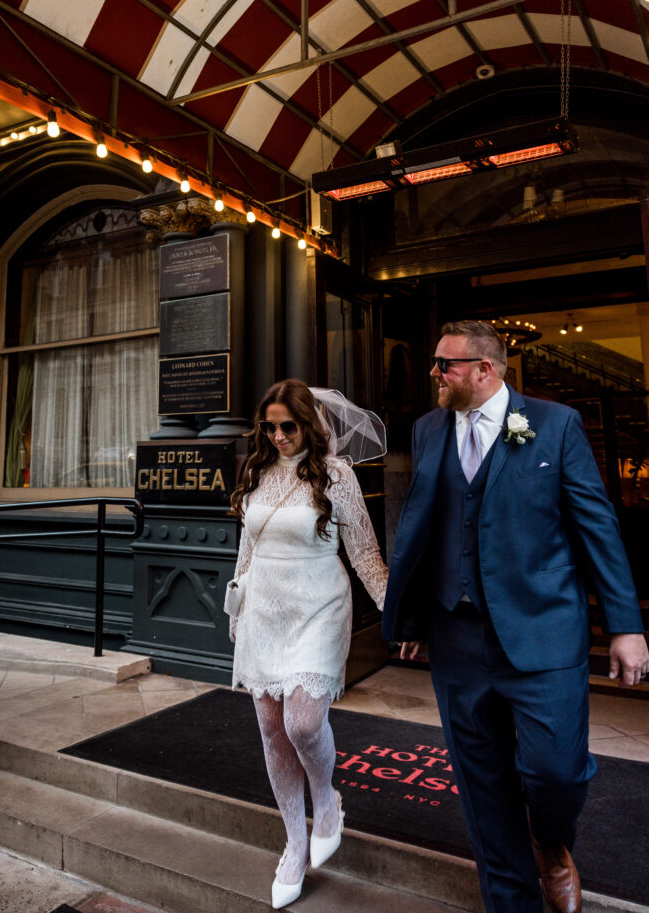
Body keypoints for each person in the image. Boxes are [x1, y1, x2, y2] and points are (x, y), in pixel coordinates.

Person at [383, 320, 648, 913]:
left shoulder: (554, 425)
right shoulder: (428, 430)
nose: (434, 373)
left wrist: (627, 625)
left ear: (486, 369)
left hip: (543, 630)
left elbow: (596, 526)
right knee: (481, 782)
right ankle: (510, 900)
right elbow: (421, 529)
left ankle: (551, 843)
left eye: (445, 364)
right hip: (456, 633)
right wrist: (409, 621)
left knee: (556, 772)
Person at [228, 378, 388, 909]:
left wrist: (397, 613)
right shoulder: (256, 473)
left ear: (310, 424)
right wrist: (237, 611)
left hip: (319, 605)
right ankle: (295, 843)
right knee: (272, 730)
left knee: (301, 721)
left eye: (287, 426)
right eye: (269, 427)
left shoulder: (336, 475)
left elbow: (364, 554)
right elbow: (246, 552)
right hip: (264, 611)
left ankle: (327, 798)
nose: (278, 436)